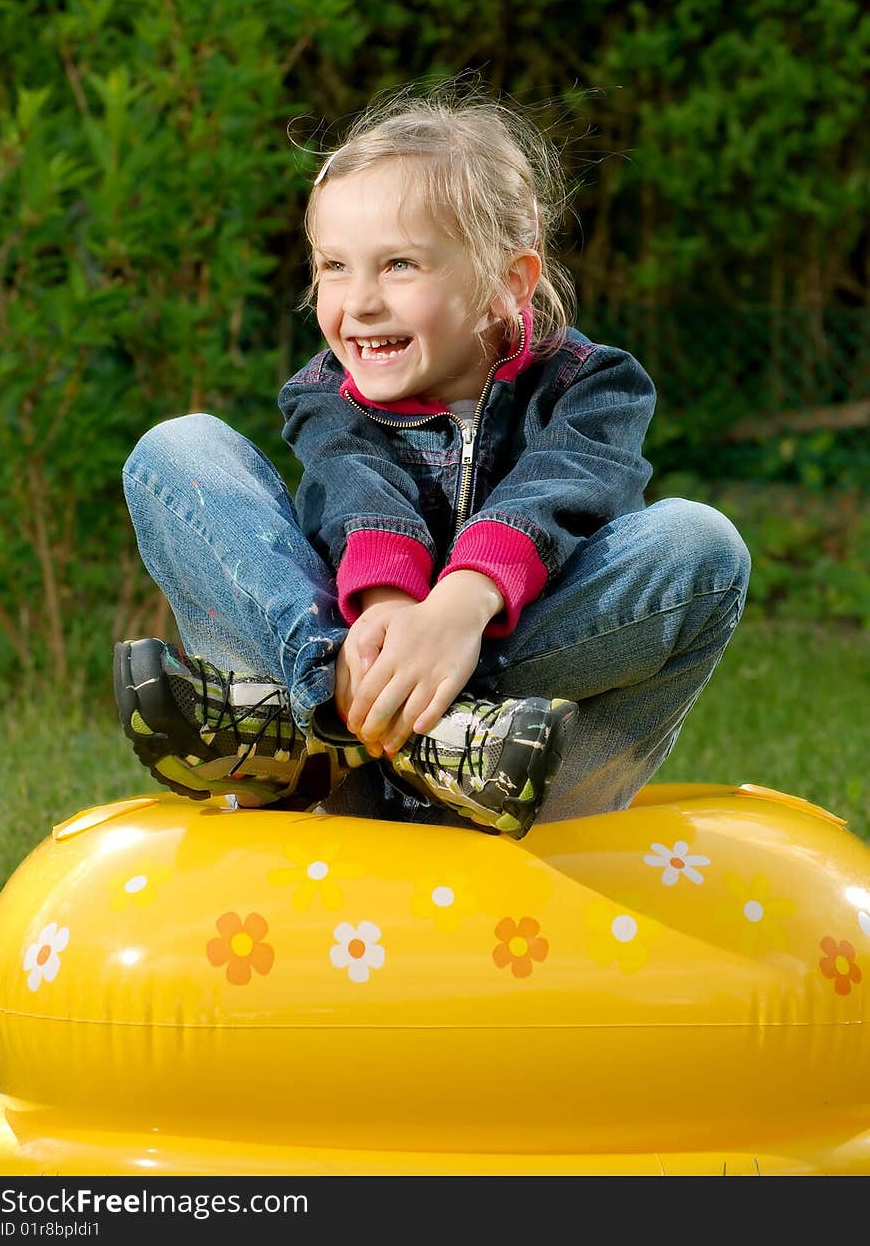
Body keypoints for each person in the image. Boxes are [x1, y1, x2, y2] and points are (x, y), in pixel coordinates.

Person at [113, 80, 751, 841]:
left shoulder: (595, 388)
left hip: (516, 764)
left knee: (703, 546)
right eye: (334, 267)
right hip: (340, 733)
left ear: (504, 285)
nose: (359, 301)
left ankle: (377, 731)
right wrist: (385, 615)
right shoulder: (326, 396)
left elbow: (561, 489)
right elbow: (358, 494)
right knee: (175, 451)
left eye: (400, 266)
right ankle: (338, 701)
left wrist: (459, 607)